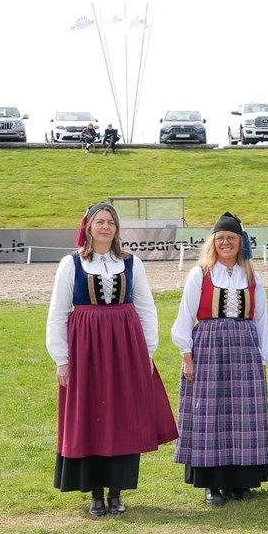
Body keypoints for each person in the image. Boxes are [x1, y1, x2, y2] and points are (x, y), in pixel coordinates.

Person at [46, 202, 177, 517]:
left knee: (123, 416)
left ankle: (117, 492)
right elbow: (58, 311)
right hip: (86, 350)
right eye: (99, 222)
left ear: (117, 229)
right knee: (90, 415)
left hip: (125, 348)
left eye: (111, 222)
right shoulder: (71, 263)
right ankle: (95, 493)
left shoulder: (131, 262)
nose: (105, 227)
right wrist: (62, 359)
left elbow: (145, 307)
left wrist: (147, 352)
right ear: (89, 227)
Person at [171, 212, 268, 506]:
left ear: (241, 242)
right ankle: (212, 484)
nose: (226, 243)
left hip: (245, 349)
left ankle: (240, 482)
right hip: (209, 347)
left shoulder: (252, 276)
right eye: (221, 238)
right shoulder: (200, 274)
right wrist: (187, 356)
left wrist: (263, 359)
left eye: (231, 238)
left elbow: (262, 320)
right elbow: (185, 316)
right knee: (209, 413)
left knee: (243, 414)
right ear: (213, 242)